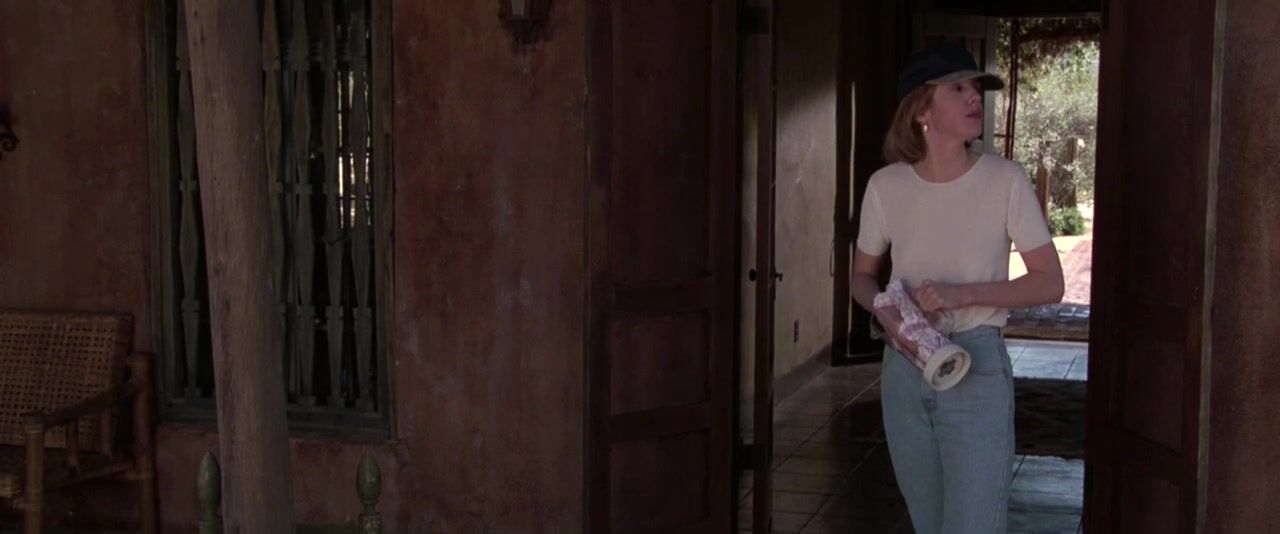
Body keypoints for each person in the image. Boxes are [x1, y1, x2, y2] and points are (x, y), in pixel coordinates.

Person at [850, 43, 1065, 534]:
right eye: (958, 88)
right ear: (922, 110)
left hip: (977, 366)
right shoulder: (885, 186)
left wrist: (963, 294)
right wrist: (885, 313)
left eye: (976, 88)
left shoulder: (1005, 180)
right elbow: (862, 277)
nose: (974, 97)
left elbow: (1050, 282)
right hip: (904, 367)